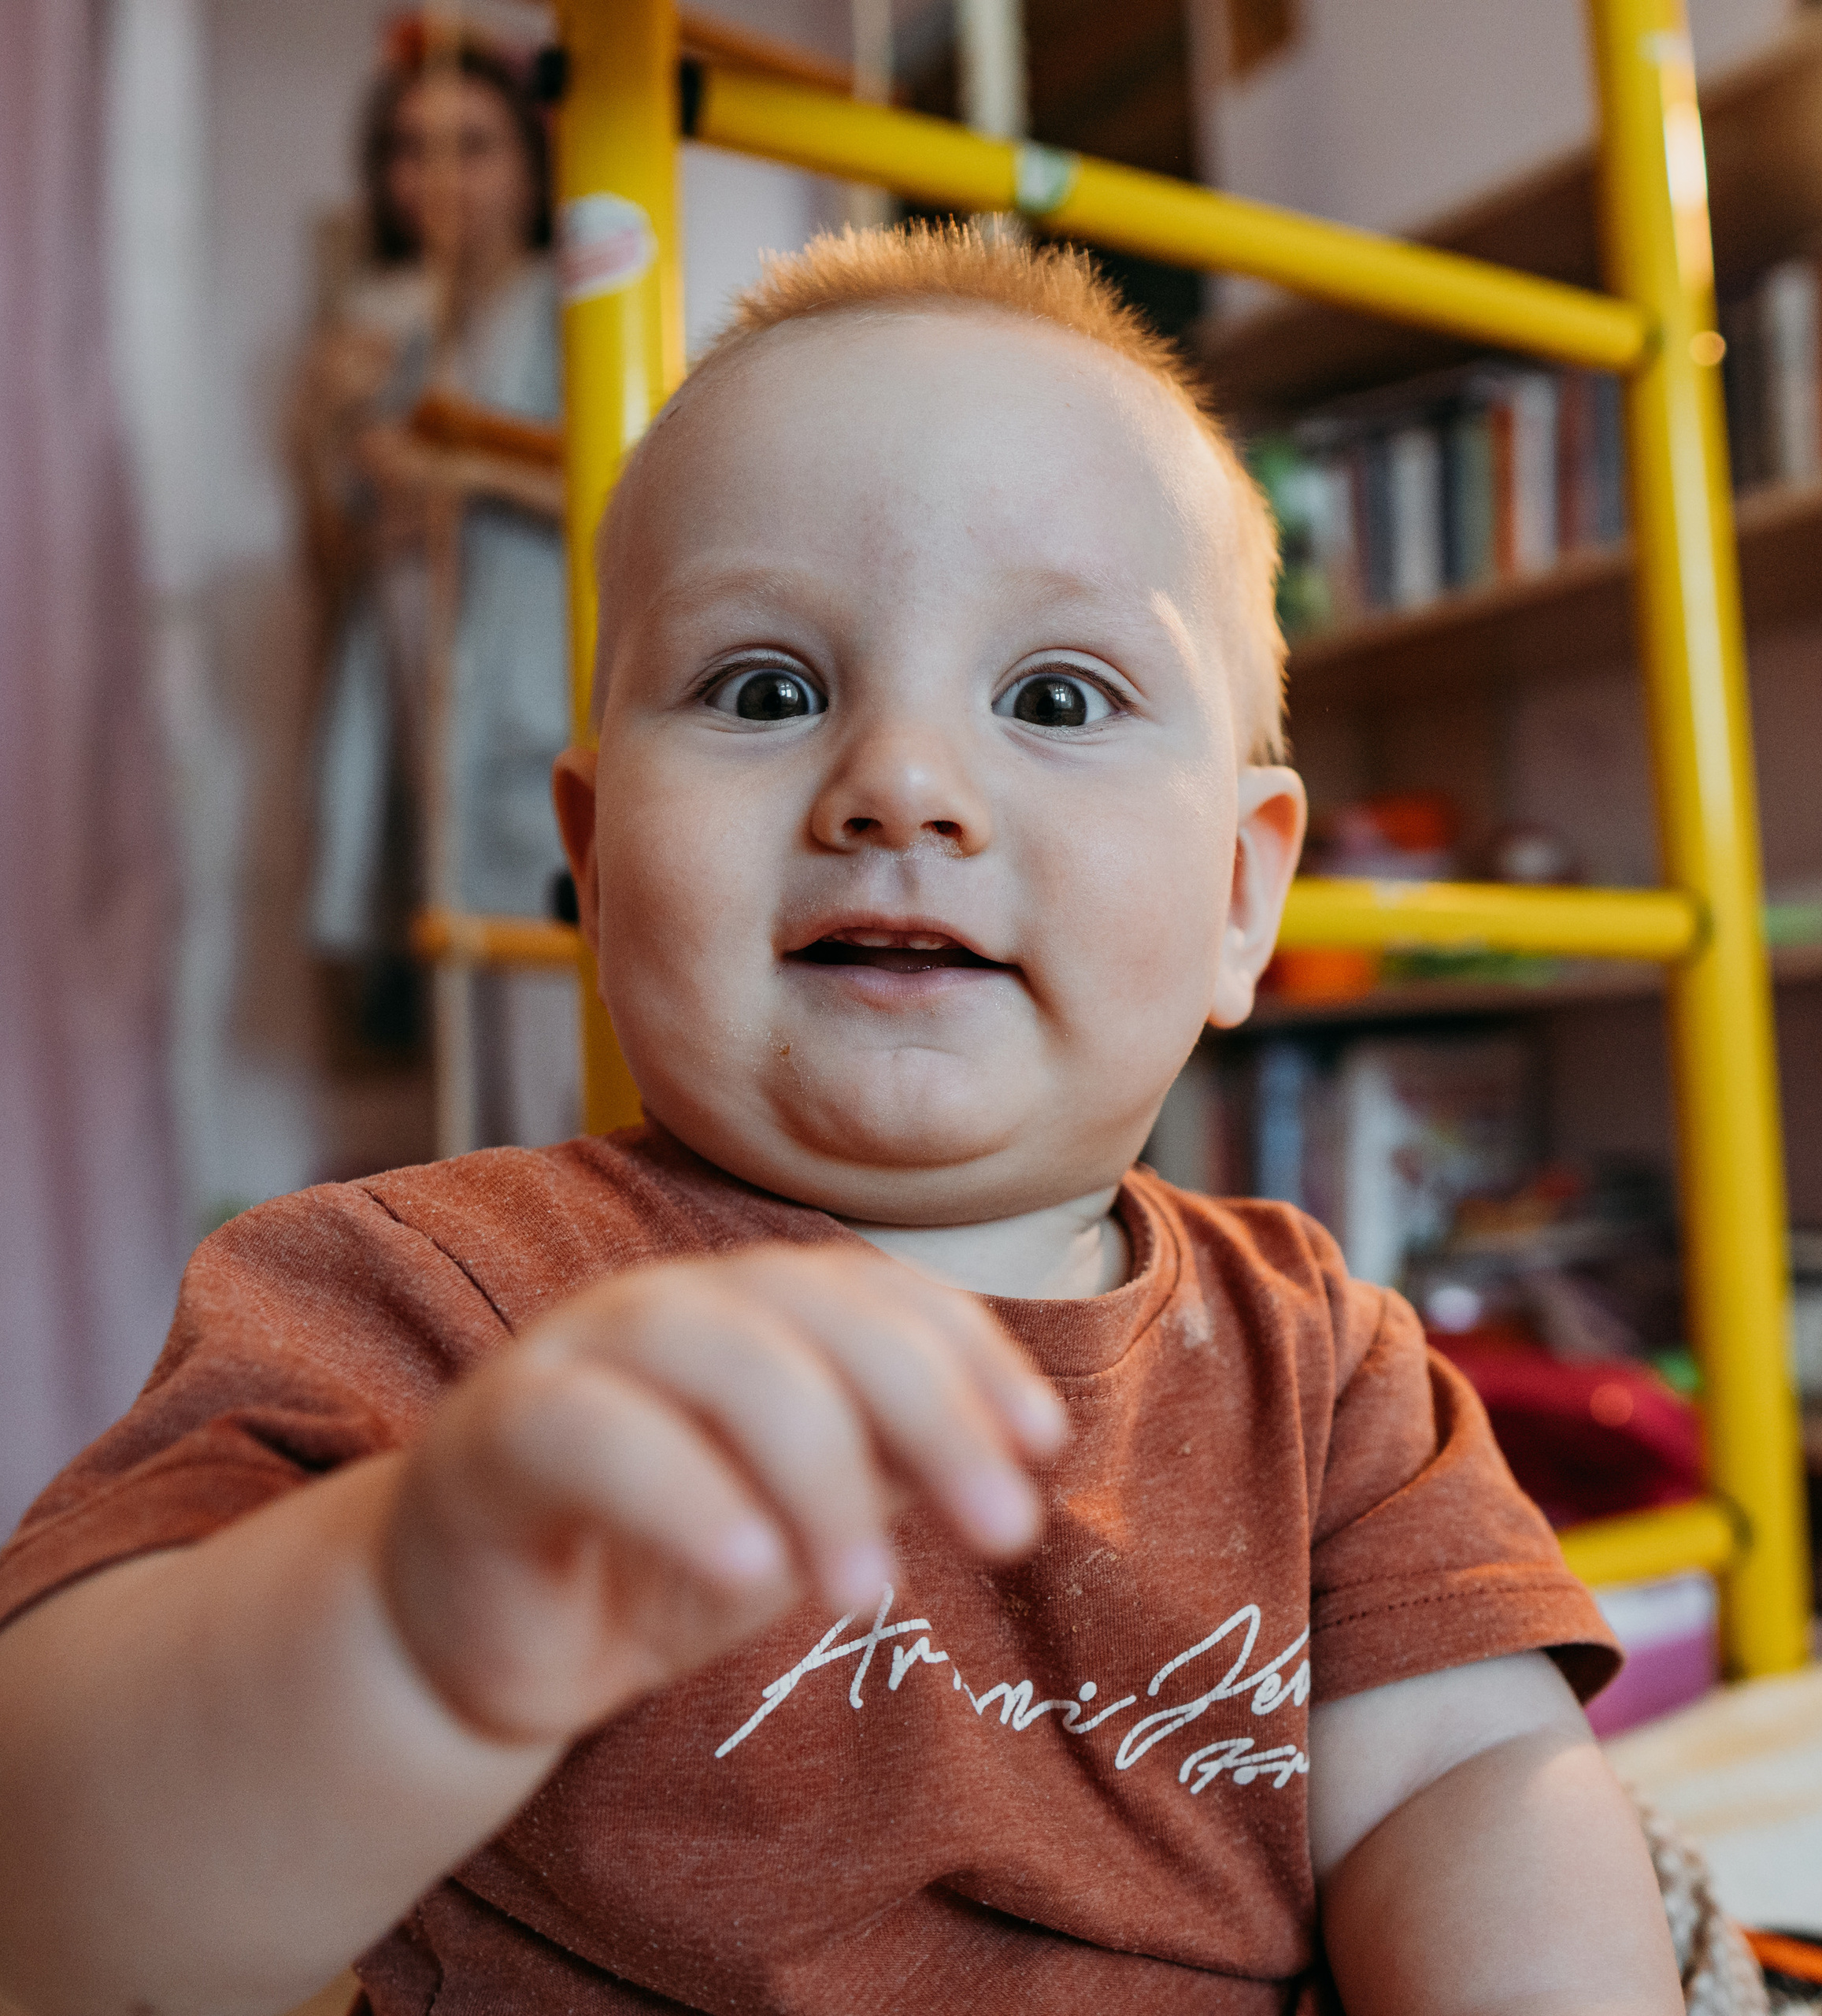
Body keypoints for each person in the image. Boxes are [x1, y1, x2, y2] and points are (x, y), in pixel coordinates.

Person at [0, 225, 1683, 2016]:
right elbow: (55, 1903)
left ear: (1240, 899)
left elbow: (1465, 1782)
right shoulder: (414, 1297)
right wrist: (409, 1611)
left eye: (1053, 697)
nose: (901, 783)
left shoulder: (1325, 1370)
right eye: (767, 689)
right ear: (594, 864)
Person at [294, 29, 576, 1147]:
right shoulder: (396, 332)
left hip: (538, 726)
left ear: (532, 167)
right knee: (471, 1083)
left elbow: (638, 494)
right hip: (431, 733)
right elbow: (336, 565)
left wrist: (466, 472)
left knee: (554, 1078)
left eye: (474, 145)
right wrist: (320, 429)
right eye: (412, 149)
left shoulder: (577, 306)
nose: (438, 177)